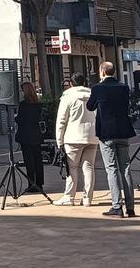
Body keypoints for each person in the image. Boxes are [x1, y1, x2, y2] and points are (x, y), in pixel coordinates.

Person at [87, 61, 136, 217]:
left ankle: (116, 206)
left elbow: (90, 106)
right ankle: (130, 207)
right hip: (123, 131)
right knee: (126, 168)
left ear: (102, 72)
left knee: (111, 169)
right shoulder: (123, 87)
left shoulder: (98, 88)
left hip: (106, 133)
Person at [54, 72, 98, 206]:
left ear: (71, 83)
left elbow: (61, 120)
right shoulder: (92, 95)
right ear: (84, 82)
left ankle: (69, 196)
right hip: (92, 135)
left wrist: (59, 140)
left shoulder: (68, 97)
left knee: (72, 168)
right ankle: (87, 198)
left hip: (73, 137)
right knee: (89, 167)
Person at [15, 81, 45, 194]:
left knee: (29, 161)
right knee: (38, 160)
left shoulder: (23, 105)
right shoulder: (38, 104)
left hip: (25, 135)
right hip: (36, 135)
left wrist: (15, 118)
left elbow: (20, 120)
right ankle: (39, 183)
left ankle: (31, 184)